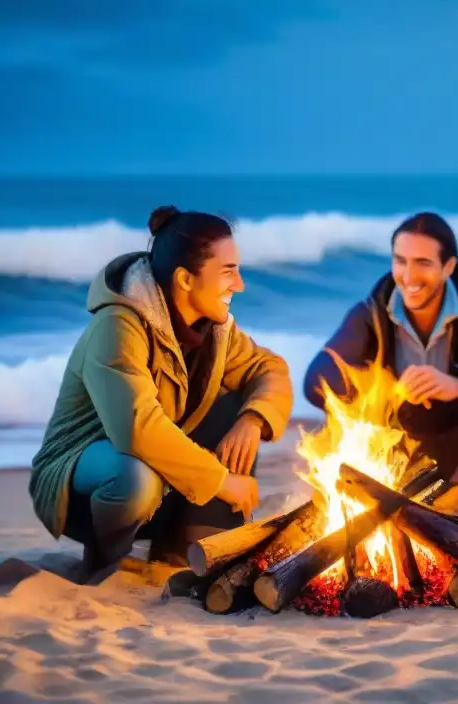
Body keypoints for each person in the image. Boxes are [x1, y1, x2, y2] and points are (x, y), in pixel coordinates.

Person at [29, 206, 293, 582]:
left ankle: (186, 544)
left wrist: (254, 420)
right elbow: (138, 429)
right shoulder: (119, 325)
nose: (240, 284)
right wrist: (222, 481)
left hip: (161, 475)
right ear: (186, 279)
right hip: (81, 477)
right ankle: (105, 561)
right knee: (138, 477)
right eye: (228, 271)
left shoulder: (214, 331)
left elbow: (269, 370)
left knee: (236, 404)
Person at [302, 212, 458, 524]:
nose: (408, 276)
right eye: (400, 261)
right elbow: (315, 378)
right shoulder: (370, 314)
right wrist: (385, 388)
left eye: (423, 262)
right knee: (341, 398)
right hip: (398, 458)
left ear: (448, 267)